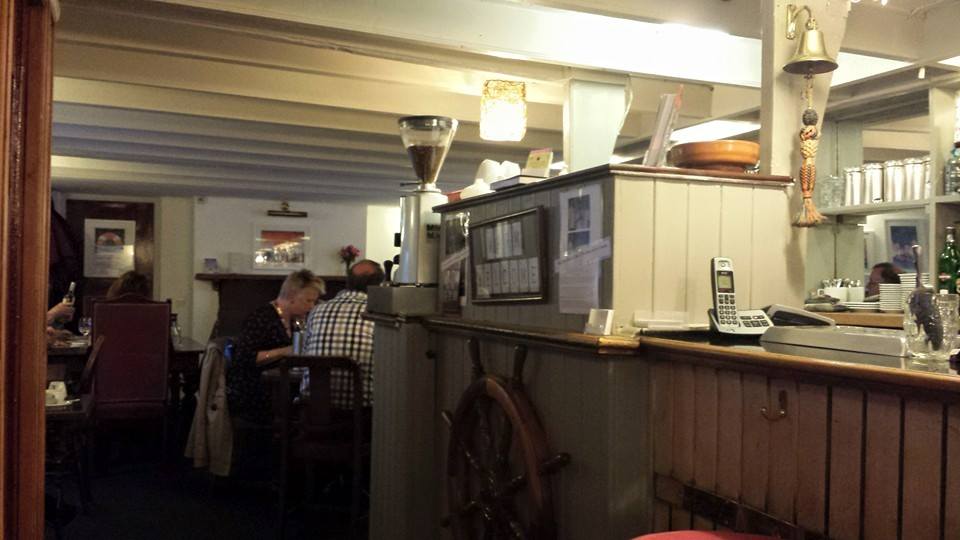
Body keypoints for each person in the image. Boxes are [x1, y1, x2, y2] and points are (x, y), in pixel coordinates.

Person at [226, 269, 324, 424]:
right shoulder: (261, 318)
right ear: (291, 297)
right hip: (256, 390)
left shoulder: (295, 320)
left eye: (314, 302)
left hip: (280, 386)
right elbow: (244, 358)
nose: (312, 307)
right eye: (308, 301)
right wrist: (285, 351)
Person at [302, 259, 384, 409]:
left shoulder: (317, 311)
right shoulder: (377, 313)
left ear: (348, 281)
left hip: (314, 407)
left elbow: (305, 355)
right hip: (361, 409)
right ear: (378, 286)